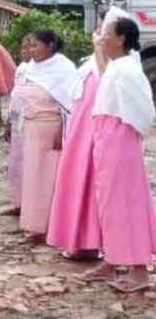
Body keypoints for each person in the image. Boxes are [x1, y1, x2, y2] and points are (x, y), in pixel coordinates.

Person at [47, 7, 129, 260]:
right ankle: (80, 242)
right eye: (100, 28)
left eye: (106, 30)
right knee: (77, 185)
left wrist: (100, 52)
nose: (100, 34)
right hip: (79, 136)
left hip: (98, 138)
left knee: (94, 189)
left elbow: (109, 89)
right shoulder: (89, 65)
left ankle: (94, 243)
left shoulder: (119, 65)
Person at [81, 18, 156, 293]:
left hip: (119, 141)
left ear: (121, 39)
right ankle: (113, 258)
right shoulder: (117, 66)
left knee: (127, 202)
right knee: (109, 202)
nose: (102, 38)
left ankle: (139, 269)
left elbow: (144, 112)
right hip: (107, 139)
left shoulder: (129, 70)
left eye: (107, 34)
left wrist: (119, 134)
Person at [18, 30, 76, 242]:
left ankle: (54, 226)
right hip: (32, 128)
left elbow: (70, 104)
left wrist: (62, 131)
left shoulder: (64, 69)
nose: (32, 50)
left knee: (50, 178)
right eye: (30, 45)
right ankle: (34, 226)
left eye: (36, 46)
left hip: (52, 129)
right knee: (33, 178)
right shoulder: (30, 68)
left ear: (50, 45)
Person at [2, 35, 33, 217]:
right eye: (22, 48)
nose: (25, 51)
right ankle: (17, 202)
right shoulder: (20, 69)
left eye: (29, 47)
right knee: (16, 165)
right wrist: (8, 122)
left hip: (32, 124)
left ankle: (30, 205)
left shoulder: (40, 71)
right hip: (16, 124)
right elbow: (14, 97)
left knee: (30, 165)